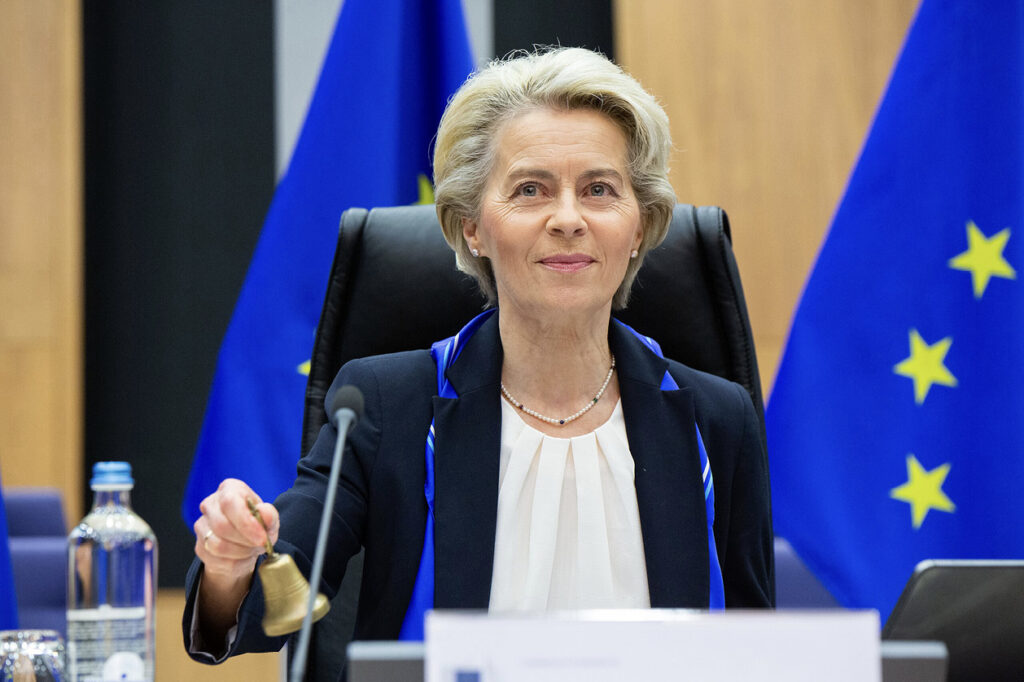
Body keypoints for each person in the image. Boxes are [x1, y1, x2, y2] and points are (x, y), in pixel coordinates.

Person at [183, 46, 773, 663]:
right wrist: (232, 563)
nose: (568, 218)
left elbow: (761, 652)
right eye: (530, 190)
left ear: (640, 227)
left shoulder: (715, 418)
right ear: (472, 227)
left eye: (599, 189)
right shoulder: (388, 408)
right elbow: (268, 604)